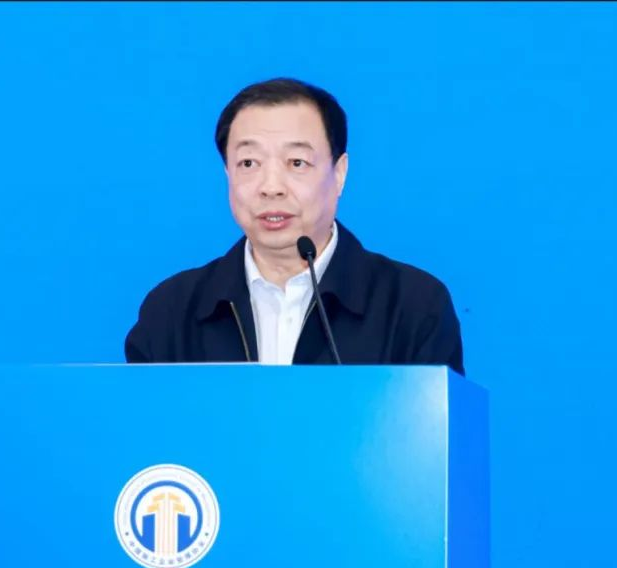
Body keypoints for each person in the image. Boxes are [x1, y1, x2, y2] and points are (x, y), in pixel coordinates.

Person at [124, 77, 464, 375]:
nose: (271, 186)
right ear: (228, 173)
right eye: (248, 163)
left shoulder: (413, 307)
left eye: (297, 162)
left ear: (339, 173)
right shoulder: (171, 312)